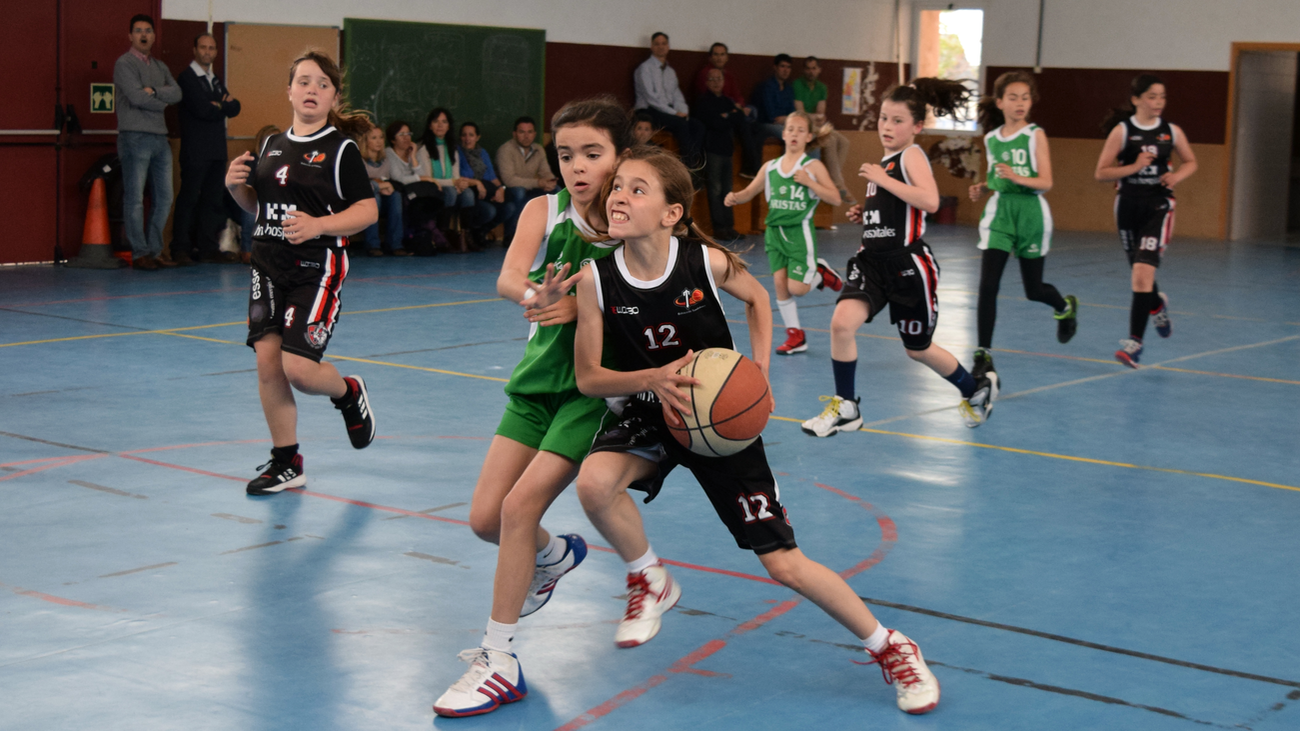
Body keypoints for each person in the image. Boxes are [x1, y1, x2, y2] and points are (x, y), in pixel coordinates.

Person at [567, 144, 941, 715]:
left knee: (783, 563)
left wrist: (759, 371)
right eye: (617, 186)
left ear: (671, 213)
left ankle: (891, 646)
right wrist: (655, 378)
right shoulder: (596, 279)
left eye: (636, 189)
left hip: (721, 424)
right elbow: (590, 376)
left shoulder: (701, 262)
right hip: (653, 409)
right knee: (594, 484)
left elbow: (758, 298)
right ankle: (649, 578)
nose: (618, 195)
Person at [432, 97, 633, 718]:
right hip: (535, 383)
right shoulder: (542, 210)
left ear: (621, 156)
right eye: (566, 154)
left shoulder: (634, 218)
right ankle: (554, 555)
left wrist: (587, 309)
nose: (577, 166)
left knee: (519, 507)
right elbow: (508, 277)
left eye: (592, 154)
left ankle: (500, 660)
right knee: (485, 518)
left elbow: (656, 297)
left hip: (591, 390)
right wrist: (535, 294)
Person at [801, 80, 998, 438]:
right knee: (841, 324)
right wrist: (868, 212)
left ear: (917, 127)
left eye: (897, 121)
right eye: (883, 118)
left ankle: (974, 388)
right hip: (871, 262)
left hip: (909, 267)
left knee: (918, 350)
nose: (887, 127)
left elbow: (930, 201)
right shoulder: (887, 162)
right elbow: (897, 207)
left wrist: (881, 180)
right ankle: (847, 406)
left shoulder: (912, 155)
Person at [224, 50, 378, 495]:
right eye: (304, 81)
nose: (312, 89)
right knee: (268, 366)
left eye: (322, 84)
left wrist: (320, 226)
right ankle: (286, 462)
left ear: (333, 97)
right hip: (267, 264)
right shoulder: (272, 145)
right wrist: (237, 189)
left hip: (317, 266)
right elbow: (262, 207)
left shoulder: (341, 149)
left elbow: (367, 210)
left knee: (300, 370)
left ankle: (347, 391)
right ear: (289, 90)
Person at [968, 71, 1077, 382]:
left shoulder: (1034, 135)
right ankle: (983, 354)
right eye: (1013, 97)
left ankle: (1064, 306)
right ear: (1000, 102)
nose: (1019, 103)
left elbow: (1046, 181)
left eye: (1025, 98)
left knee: (1033, 290)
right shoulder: (990, 139)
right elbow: (996, 177)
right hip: (1001, 213)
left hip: (1030, 213)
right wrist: (983, 187)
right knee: (988, 285)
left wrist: (1016, 177)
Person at [1094, 74, 1197, 368]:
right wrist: (1134, 167)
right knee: (1142, 276)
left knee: (1141, 274)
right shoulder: (1122, 132)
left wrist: (1177, 175)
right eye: (1152, 97)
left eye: (1162, 97)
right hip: (1127, 206)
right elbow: (1101, 173)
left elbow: (1191, 161)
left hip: (1159, 206)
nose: (1158, 103)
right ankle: (1155, 304)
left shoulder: (1171, 132)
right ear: (1136, 99)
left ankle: (1134, 345)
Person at [726, 111, 843, 354]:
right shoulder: (771, 167)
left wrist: (810, 182)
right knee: (780, 285)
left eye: (800, 130)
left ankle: (819, 272)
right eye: (790, 129)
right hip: (774, 234)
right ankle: (795, 335)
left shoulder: (812, 166)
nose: (794, 134)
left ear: (809, 136)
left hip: (799, 233)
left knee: (797, 288)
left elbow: (835, 198)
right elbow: (750, 191)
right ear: (783, 133)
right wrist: (735, 197)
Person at [114, 14, 181, 271]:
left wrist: (154, 91)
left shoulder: (160, 66)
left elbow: (177, 93)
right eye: (139, 31)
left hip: (159, 138)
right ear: (130, 36)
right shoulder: (124, 64)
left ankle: (155, 250)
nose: (144, 35)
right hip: (134, 137)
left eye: (148, 31)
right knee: (135, 198)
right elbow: (135, 98)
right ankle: (140, 252)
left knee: (165, 197)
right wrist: (161, 100)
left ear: (153, 36)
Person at [173, 32, 241, 265]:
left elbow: (235, 107)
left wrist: (219, 105)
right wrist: (222, 105)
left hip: (216, 149)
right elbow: (202, 109)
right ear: (195, 49)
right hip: (195, 149)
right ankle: (180, 248)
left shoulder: (214, 79)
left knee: (213, 199)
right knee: (189, 198)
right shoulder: (187, 78)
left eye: (211, 48)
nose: (207, 52)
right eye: (203, 47)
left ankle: (207, 248)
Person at [693, 68, 755, 242]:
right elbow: (716, 123)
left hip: (728, 151)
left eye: (718, 79)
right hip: (712, 150)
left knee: (727, 190)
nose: (715, 82)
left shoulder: (728, 101)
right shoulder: (703, 102)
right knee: (715, 190)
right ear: (706, 82)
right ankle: (719, 227)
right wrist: (730, 116)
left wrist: (728, 115)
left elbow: (739, 118)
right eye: (711, 79)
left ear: (723, 81)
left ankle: (730, 226)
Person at [632, 32, 705, 167]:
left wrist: (683, 112)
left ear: (668, 46)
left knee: (697, 126)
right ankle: (688, 168)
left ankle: (695, 167)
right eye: (657, 44)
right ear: (651, 47)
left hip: (668, 111)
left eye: (664, 43)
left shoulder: (670, 71)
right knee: (680, 124)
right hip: (648, 111)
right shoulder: (645, 69)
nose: (661, 47)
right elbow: (651, 98)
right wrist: (674, 114)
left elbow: (677, 95)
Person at [417, 108, 485, 239]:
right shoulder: (424, 148)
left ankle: (465, 237)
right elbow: (428, 179)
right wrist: (455, 183)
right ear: (430, 126)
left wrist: (459, 184)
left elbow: (455, 176)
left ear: (449, 126)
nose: (440, 125)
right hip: (432, 188)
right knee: (451, 191)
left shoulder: (452, 148)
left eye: (444, 122)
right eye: (436, 121)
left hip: (449, 185)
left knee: (468, 193)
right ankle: (443, 236)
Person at [793, 56, 851, 200]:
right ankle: (838, 185)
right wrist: (814, 117)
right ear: (803, 70)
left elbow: (821, 113)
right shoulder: (797, 85)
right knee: (829, 140)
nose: (811, 72)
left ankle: (834, 177)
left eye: (814, 68)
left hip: (816, 125)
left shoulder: (821, 87)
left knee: (844, 142)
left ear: (819, 70)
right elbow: (801, 114)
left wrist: (815, 117)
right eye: (808, 68)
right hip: (803, 125)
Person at [495, 116, 559, 245]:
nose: (526, 136)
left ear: (534, 134)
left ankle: (552, 235)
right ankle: (511, 235)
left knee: (556, 191)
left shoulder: (538, 149)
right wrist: (538, 183)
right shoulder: (505, 150)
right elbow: (509, 180)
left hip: (530, 189)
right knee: (518, 192)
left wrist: (550, 181)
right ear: (514, 134)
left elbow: (545, 172)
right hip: (507, 192)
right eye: (522, 132)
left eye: (530, 132)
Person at [232, 124, 281, 265]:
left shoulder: (284, 160)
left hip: (276, 201)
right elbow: (247, 188)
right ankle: (247, 249)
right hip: (254, 200)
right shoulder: (253, 160)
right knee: (252, 211)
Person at [359, 124, 409, 256]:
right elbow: (360, 186)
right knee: (374, 197)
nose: (378, 141)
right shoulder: (359, 160)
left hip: (381, 196)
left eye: (381, 137)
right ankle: (373, 245)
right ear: (366, 141)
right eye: (374, 138)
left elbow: (384, 181)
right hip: (361, 201)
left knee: (395, 196)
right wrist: (379, 186)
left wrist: (382, 186)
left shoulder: (385, 160)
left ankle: (395, 244)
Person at [458, 121, 510, 245]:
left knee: (509, 207)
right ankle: (472, 233)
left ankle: (481, 232)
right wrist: (476, 183)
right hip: (471, 194)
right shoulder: (457, 152)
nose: (467, 139)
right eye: (464, 135)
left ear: (477, 137)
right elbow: (458, 177)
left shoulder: (482, 153)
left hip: (487, 193)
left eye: (471, 135)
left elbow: (492, 176)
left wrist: (501, 189)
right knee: (489, 210)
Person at [753, 54, 795, 143]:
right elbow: (772, 116)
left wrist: (786, 119)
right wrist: (787, 118)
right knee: (790, 136)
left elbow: (792, 111)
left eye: (788, 67)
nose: (785, 70)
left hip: (785, 124)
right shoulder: (767, 87)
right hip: (766, 125)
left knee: (809, 136)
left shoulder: (788, 89)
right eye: (782, 66)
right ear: (775, 67)